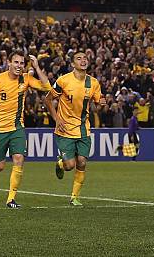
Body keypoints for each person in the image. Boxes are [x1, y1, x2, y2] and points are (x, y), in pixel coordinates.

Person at [0, 51, 51, 209]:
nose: (19, 66)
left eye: (22, 63)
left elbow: (47, 86)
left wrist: (37, 67)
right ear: (8, 63)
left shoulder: (26, 79)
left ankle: (10, 199)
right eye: (16, 62)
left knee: (19, 158)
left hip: (17, 127)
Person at [44, 52, 105, 206]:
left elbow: (98, 108)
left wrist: (102, 104)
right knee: (69, 166)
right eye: (79, 58)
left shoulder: (94, 83)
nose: (83, 60)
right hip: (65, 129)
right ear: (72, 64)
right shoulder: (63, 81)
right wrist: (57, 120)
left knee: (82, 162)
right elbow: (48, 99)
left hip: (83, 129)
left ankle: (74, 197)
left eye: (85, 58)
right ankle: (60, 164)